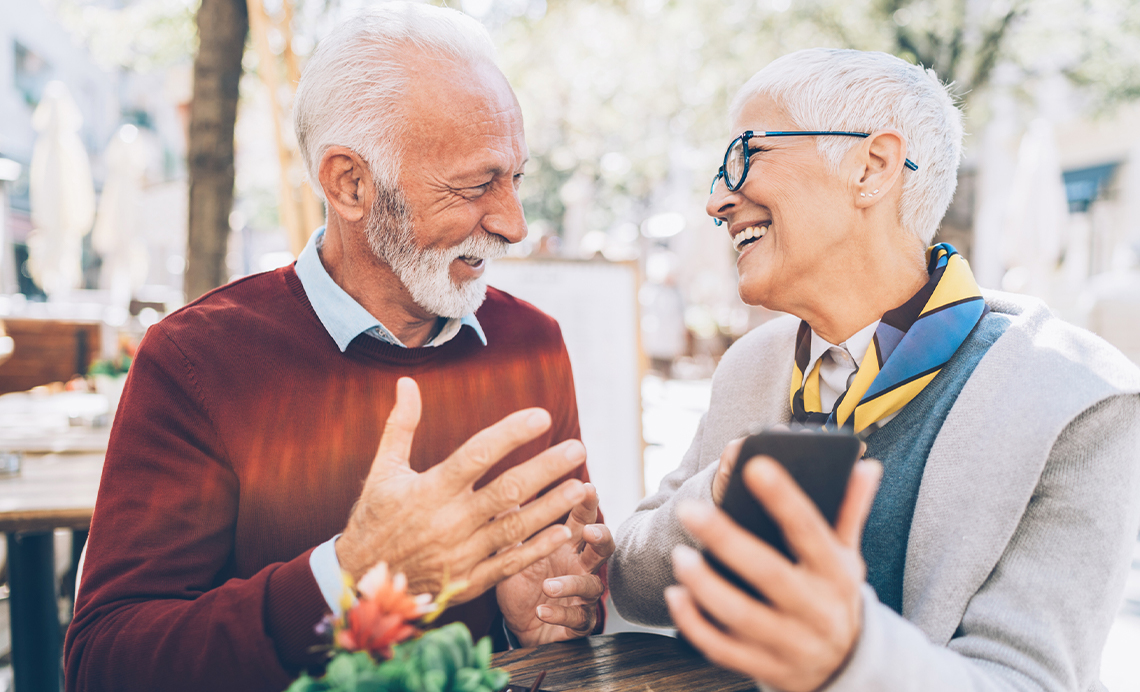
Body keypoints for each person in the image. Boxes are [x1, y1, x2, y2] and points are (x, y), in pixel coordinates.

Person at [65, 5, 613, 691]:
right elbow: (103, 665)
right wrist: (347, 578)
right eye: (476, 185)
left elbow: (568, 611)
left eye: (516, 178)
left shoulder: (530, 341)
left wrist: (543, 619)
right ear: (350, 183)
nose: (514, 224)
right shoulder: (195, 361)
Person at [610, 48, 1140, 691]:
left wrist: (851, 656)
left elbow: (1028, 682)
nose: (717, 199)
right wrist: (715, 499)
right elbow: (633, 588)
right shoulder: (755, 362)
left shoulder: (1079, 399)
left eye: (745, 154)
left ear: (872, 166)